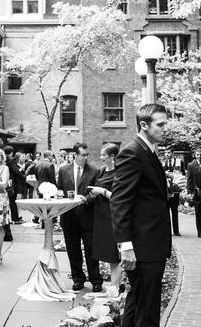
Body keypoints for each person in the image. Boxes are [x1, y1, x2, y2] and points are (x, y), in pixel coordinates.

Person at [111, 103, 172, 327]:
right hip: (143, 246)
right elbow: (119, 201)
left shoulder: (148, 151)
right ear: (144, 125)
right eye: (161, 124)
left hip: (150, 244)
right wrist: (125, 246)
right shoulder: (132, 152)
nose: (165, 129)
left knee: (138, 302)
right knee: (147, 309)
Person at [57, 142, 102, 291]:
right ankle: (78, 279)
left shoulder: (94, 171)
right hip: (69, 217)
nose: (85, 157)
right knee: (73, 249)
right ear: (75, 155)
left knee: (91, 249)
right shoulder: (63, 170)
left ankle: (96, 280)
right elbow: (59, 191)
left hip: (88, 216)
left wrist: (86, 199)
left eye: (87, 154)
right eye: (83, 155)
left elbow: (96, 193)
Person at [87, 143, 122, 295]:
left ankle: (115, 289)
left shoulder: (120, 173)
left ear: (112, 157)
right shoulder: (101, 171)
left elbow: (120, 197)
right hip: (100, 217)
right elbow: (97, 189)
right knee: (107, 254)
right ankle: (114, 287)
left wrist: (103, 191)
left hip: (112, 217)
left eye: (103, 155)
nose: (101, 157)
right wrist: (91, 194)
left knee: (114, 255)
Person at [186, 149, 201, 237]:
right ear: (195, 155)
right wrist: (189, 192)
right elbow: (189, 179)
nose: (199, 156)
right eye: (197, 154)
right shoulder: (191, 165)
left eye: (200, 154)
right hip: (196, 191)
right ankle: (199, 231)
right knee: (198, 212)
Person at [4, 145, 24, 223]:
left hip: (3, 181)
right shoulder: (11, 160)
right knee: (12, 201)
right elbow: (15, 170)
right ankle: (15, 218)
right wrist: (23, 177)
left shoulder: (3, 159)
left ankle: (6, 218)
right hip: (11, 182)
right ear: (12, 152)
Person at [167, 166, 183, 237]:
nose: (168, 154)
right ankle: (167, 231)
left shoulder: (177, 162)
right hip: (167, 195)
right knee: (166, 215)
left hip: (175, 194)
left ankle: (176, 231)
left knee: (175, 213)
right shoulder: (164, 163)